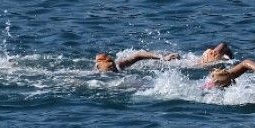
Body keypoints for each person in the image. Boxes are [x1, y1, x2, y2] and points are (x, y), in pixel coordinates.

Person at [94, 42, 233, 73]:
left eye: (110, 63)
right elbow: (139, 55)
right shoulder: (116, 68)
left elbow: (139, 54)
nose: (111, 65)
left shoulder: (119, 65)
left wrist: (162, 58)